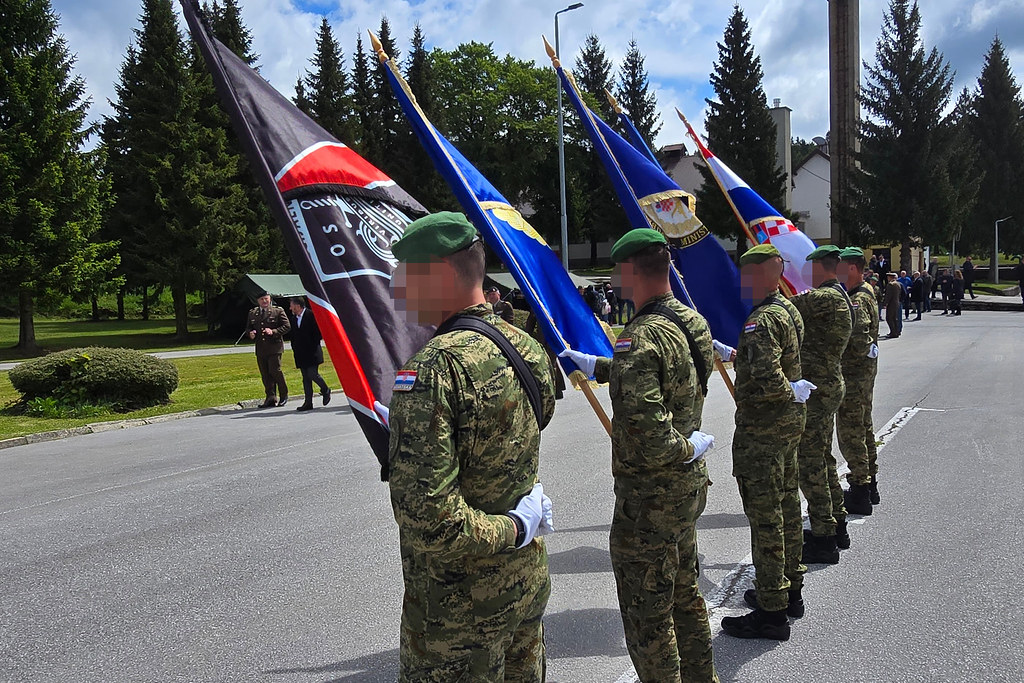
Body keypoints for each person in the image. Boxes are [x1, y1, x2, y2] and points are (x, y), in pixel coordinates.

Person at [384, 211, 557, 681]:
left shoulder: (434, 368)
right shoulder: (526, 347)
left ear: (440, 273)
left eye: (405, 275)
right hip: (522, 588)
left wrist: (514, 529)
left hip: (459, 617)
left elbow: (430, 524)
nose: (398, 290)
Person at [560, 228, 718, 681]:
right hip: (687, 489)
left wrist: (683, 446)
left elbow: (649, 434)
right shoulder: (691, 323)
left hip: (649, 499)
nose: (614, 280)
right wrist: (600, 366)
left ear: (631, 271)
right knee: (685, 594)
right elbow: (672, 378)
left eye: (616, 270)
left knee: (648, 616)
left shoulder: (640, 337)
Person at [717, 244, 811, 641]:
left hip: (763, 432)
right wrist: (740, 357)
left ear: (762, 275)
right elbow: (775, 362)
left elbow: (770, 375)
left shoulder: (762, 320)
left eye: (746, 274)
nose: (742, 281)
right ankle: (790, 590)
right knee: (788, 504)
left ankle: (771, 612)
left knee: (766, 516)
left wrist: (786, 390)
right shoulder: (787, 308)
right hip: (787, 428)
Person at [790, 245, 853, 562]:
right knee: (823, 457)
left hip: (816, 390)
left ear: (818, 268)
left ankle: (824, 536)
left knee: (810, 463)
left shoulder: (823, 298)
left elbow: (783, 310)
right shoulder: (840, 297)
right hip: (829, 385)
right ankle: (836, 521)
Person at [836, 248, 881, 514]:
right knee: (863, 427)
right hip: (863, 373)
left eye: (842, 266)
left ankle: (860, 489)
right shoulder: (865, 292)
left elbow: (860, 337)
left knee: (851, 431)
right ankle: (870, 483)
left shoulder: (857, 299)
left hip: (854, 374)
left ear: (852, 268)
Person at [245, 291, 291, 408]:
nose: (264, 301)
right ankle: (270, 397)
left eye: (266, 299)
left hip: (274, 347)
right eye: (262, 299)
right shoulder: (253, 313)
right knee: (265, 374)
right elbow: (249, 327)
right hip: (261, 348)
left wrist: (274, 331)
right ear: (258, 301)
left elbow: (287, 326)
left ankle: (283, 394)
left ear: (269, 299)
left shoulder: (277, 311)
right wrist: (250, 333)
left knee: (275, 371)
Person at [288, 298, 331, 411]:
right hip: (300, 353)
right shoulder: (293, 318)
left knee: (312, 374)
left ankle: (325, 389)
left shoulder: (311, 315)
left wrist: (311, 345)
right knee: (305, 378)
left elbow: (318, 333)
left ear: (298, 306)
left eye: (291, 305)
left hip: (312, 352)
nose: (290, 308)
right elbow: (293, 335)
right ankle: (308, 402)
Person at [884, 273, 902, 337]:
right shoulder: (898, 284)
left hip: (891, 303)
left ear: (890, 277)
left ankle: (893, 332)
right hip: (896, 302)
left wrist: (885, 303)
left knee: (889, 318)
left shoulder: (890, 285)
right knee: (894, 318)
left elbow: (888, 295)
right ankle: (897, 331)